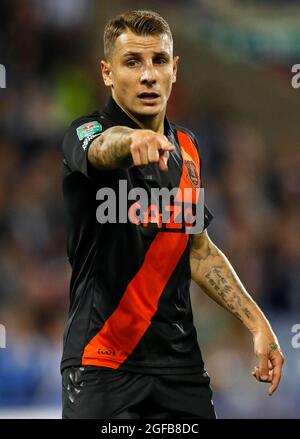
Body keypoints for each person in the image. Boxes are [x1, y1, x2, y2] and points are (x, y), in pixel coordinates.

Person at [60, 9, 284, 419]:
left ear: (174, 69)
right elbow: (101, 149)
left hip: (180, 370)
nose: (148, 75)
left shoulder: (189, 148)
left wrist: (257, 324)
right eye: (132, 62)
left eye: (158, 61)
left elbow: (197, 249)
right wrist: (133, 139)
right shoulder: (84, 131)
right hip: (102, 365)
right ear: (107, 73)